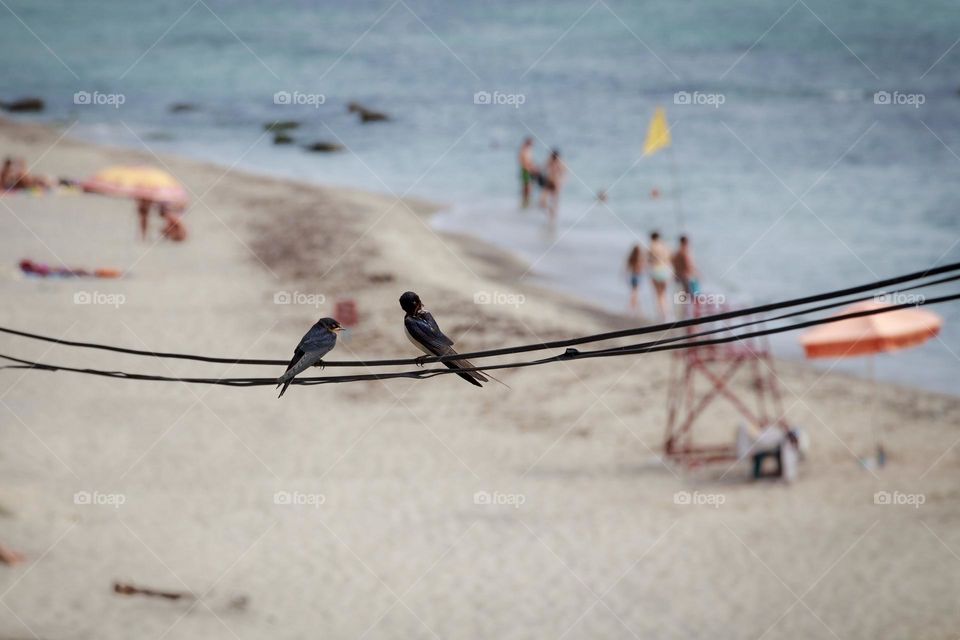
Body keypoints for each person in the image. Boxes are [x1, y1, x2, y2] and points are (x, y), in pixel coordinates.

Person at [647, 231, 671, 320]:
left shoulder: (652, 246)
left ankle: (662, 315)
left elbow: (648, 260)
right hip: (665, 271)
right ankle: (668, 314)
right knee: (664, 294)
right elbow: (669, 259)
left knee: (658, 295)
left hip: (656, 271)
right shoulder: (665, 246)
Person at [538, 148, 566, 221]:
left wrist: (561, 182)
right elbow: (541, 169)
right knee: (542, 202)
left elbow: (565, 174)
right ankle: (550, 214)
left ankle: (553, 218)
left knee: (554, 202)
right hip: (548, 183)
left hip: (556, 184)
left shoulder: (560, 163)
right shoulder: (549, 161)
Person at [671, 235, 700, 299]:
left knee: (683, 296)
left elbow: (673, 263)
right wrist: (697, 273)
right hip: (687, 276)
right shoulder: (685, 252)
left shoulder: (677, 252)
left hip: (680, 275)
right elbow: (688, 265)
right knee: (692, 295)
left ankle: (686, 308)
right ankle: (690, 308)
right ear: (686, 242)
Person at [518, 137, 538, 208]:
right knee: (526, 188)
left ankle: (526, 203)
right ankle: (525, 203)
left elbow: (530, 162)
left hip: (528, 170)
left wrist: (534, 168)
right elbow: (523, 162)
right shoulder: (523, 151)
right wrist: (530, 169)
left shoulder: (528, 150)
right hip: (526, 171)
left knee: (528, 188)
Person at [625, 243, 645, 314]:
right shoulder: (640, 258)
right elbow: (642, 268)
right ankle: (632, 308)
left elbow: (627, 268)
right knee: (635, 293)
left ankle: (635, 309)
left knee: (634, 292)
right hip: (638, 276)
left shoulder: (631, 257)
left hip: (632, 276)